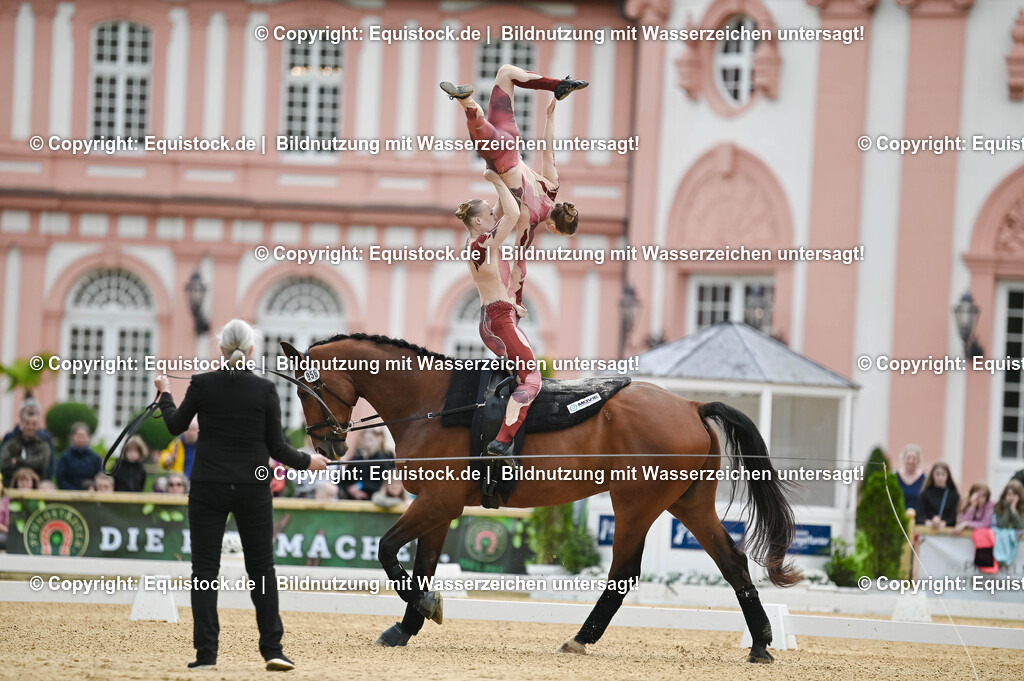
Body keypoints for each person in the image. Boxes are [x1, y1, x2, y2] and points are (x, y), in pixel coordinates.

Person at [154, 318, 329, 672]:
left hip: (208, 486)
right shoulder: (265, 390)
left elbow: (175, 426)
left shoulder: (202, 384)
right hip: (252, 486)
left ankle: (206, 655)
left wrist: (164, 395)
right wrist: (308, 461)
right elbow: (277, 448)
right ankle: (272, 649)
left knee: (204, 570)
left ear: (221, 349)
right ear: (252, 350)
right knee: (262, 569)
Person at [442, 65, 583, 314]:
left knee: (506, 73)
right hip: (501, 157)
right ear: (553, 227)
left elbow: (548, 150)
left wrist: (551, 116)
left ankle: (557, 85)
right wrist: (517, 301)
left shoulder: (552, 189)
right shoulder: (530, 221)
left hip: (512, 141)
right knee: (479, 131)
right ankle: (466, 100)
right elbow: (520, 266)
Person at [458, 168, 539, 466]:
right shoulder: (483, 243)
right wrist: (494, 179)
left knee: (518, 377)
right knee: (532, 379)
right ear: (478, 222)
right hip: (498, 320)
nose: (494, 216)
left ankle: (506, 435)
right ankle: (502, 443)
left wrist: (506, 174)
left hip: (493, 317)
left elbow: (504, 207)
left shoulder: (477, 243)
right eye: (489, 215)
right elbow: (513, 214)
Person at [1, 402, 51, 483]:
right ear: (22, 424)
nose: (30, 427)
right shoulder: (11, 444)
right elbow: (4, 465)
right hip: (11, 485)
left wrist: (18, 461)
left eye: (34, 424)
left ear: (38, 426)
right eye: (27, 423)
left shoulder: (43, 445)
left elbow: (42, 464)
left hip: (36, 487)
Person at [340, 430, 394, 501]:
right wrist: (350, 490)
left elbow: (382, 484)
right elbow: (344, 481)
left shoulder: (382, 461)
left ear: (377, 441)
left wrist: (361, 486)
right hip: (352, 500)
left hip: (374, 500)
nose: (367, 444)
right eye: (365, 440)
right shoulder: (355, 459)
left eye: (370, 440)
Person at [55, 423, 102, 490]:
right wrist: (75, 491)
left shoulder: (95, 458)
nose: (81, 439)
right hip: (68, 495)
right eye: (78, 436)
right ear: (72, 437)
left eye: (83, 436)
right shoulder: (64, 457)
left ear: (88, 438)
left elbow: (98, 478)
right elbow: (60, 479)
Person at [919, 462, 960, 529]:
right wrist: (930, 522)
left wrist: (943, 523)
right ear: (932, 475)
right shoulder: (925, 493)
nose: (940, 477)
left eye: (943, 474)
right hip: (927, 530)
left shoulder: (954, 494)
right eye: (937, 474)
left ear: (947, 476)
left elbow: (953, 518)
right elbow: (920, 516)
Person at [993, 480, 1024, 566]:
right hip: (1002, 539)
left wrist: (1013, 511)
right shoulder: (999, 506)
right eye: (1009, 494)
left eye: (1015, 495)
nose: (1011, 497)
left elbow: (1020, 526)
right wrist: (1007, 508)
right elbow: (1002, 525)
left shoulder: (1022, 508)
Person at [896, 444, 926, 516]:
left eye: (914, 458)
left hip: (918, 521)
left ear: (918, 460)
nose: (910, 461)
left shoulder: (924, 479)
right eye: (908, 458)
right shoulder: (895, 477)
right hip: (898, 519)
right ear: (903, 459)